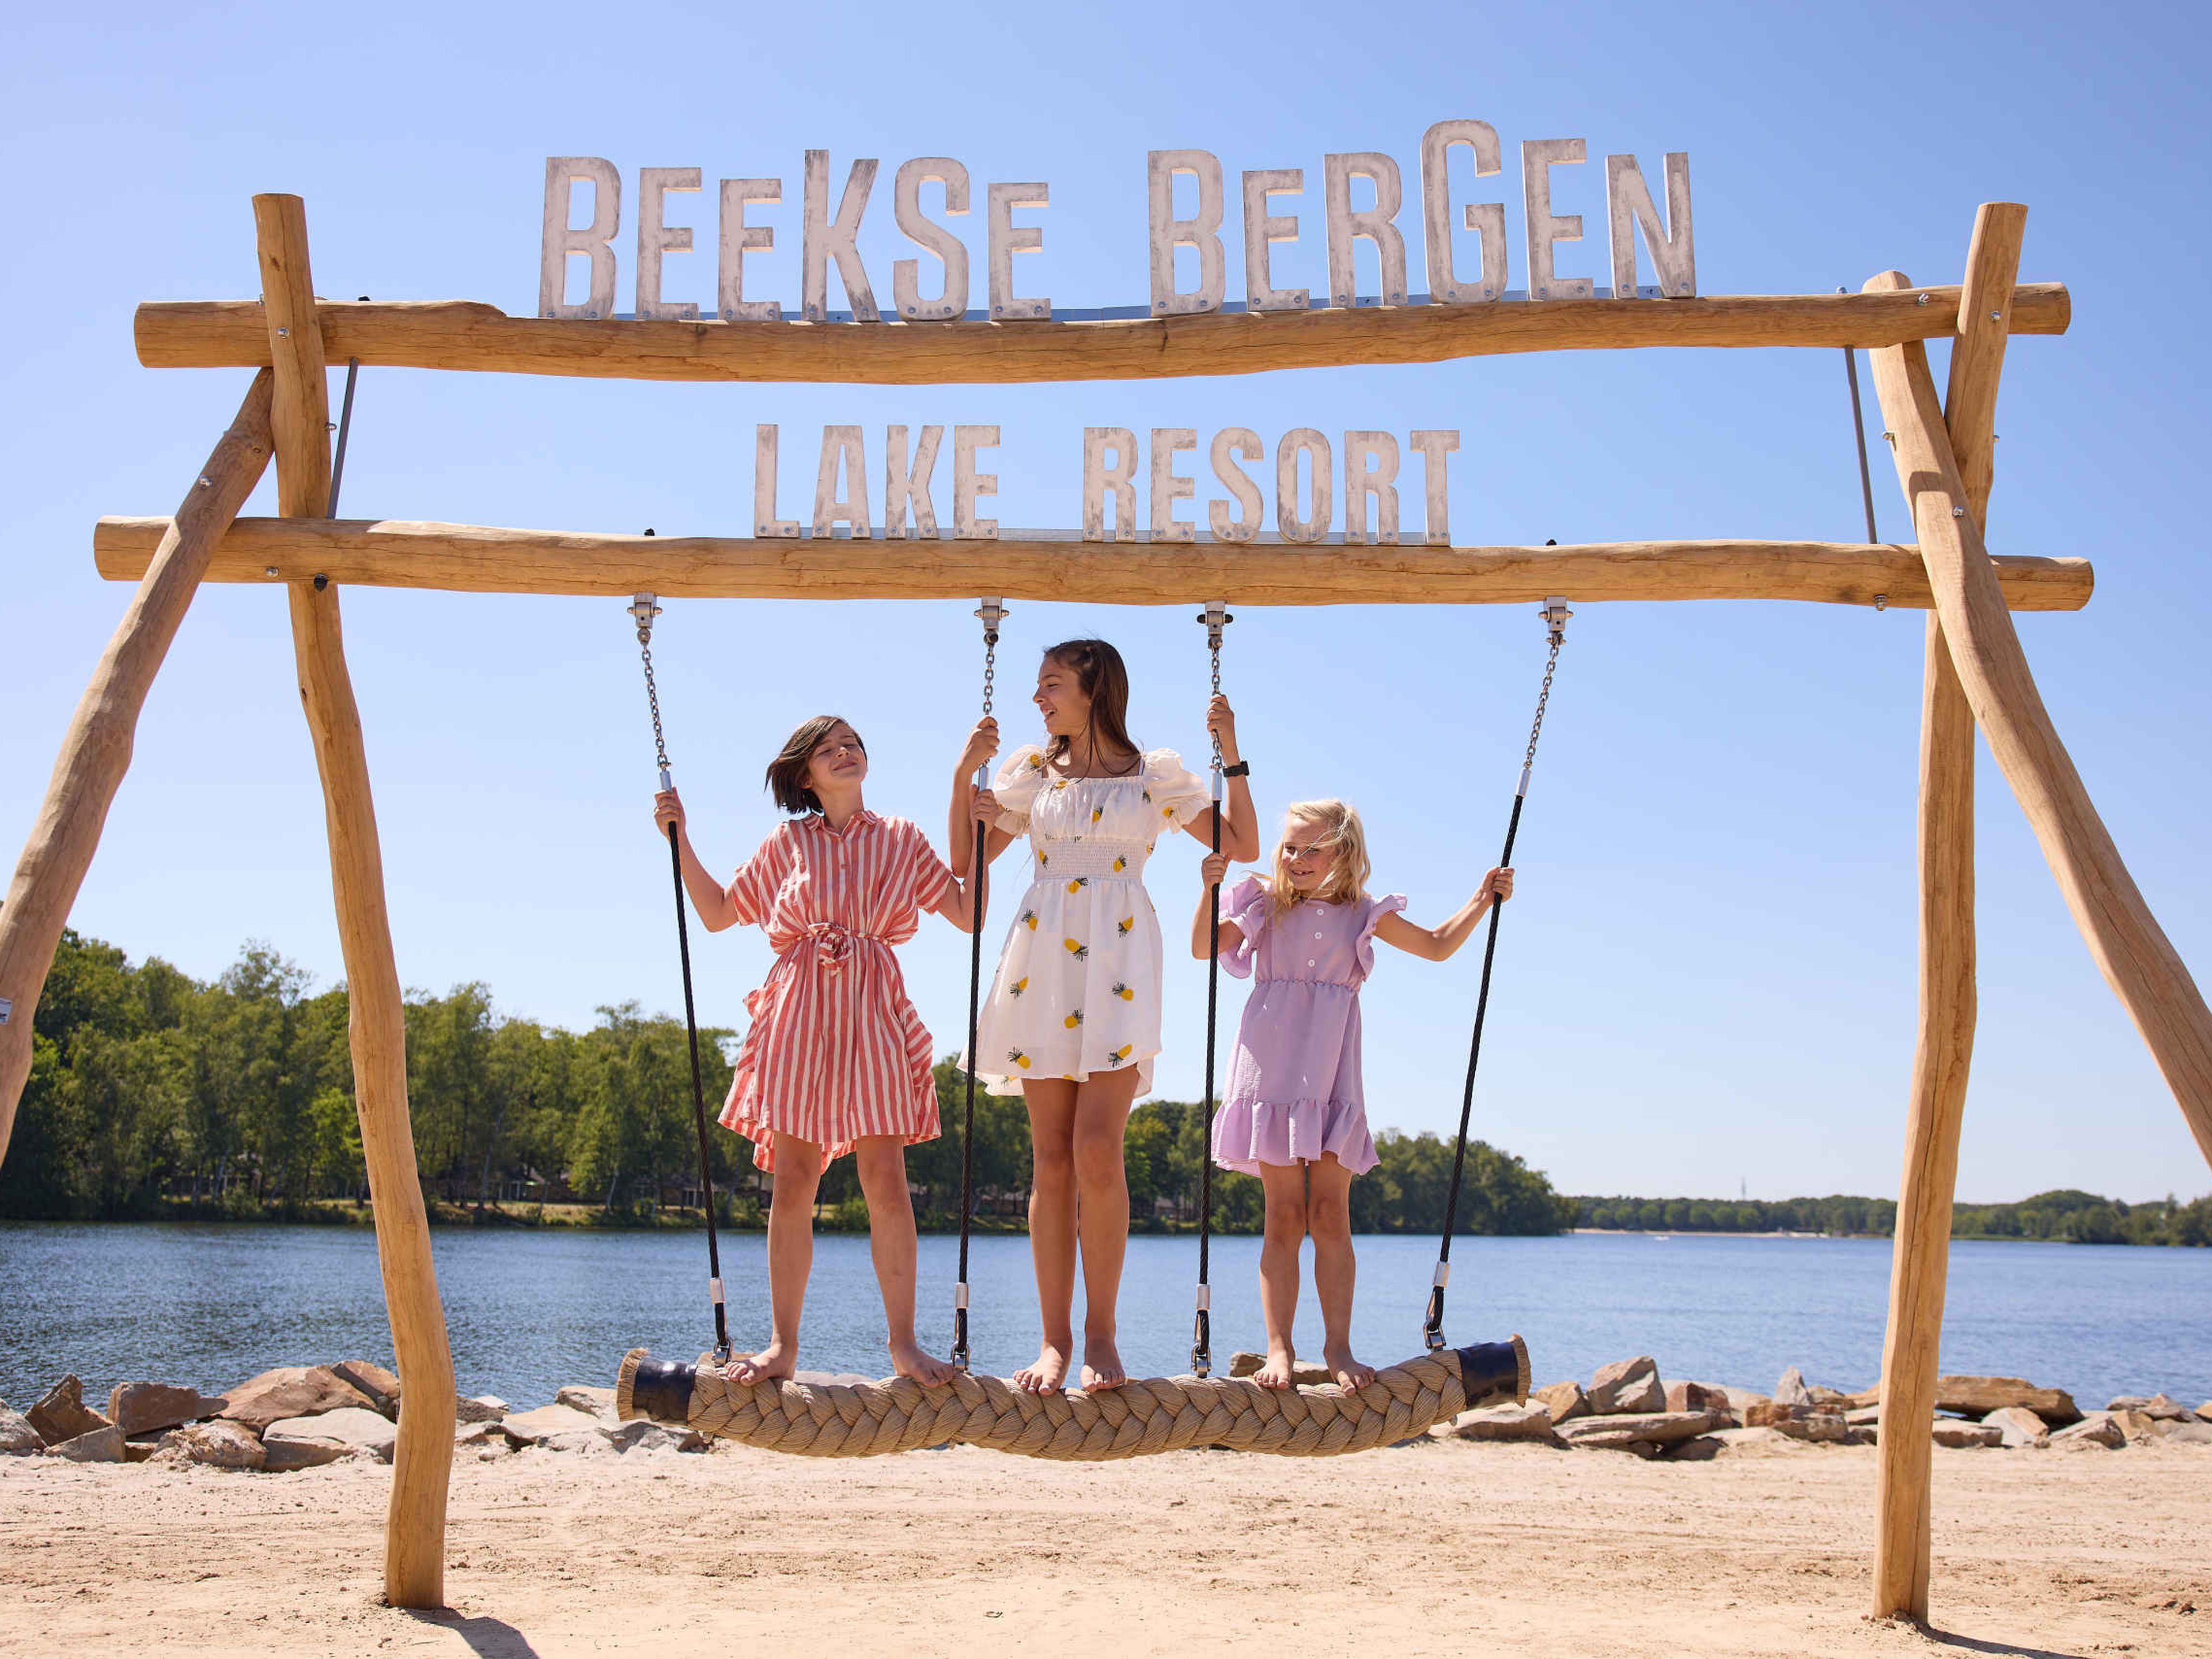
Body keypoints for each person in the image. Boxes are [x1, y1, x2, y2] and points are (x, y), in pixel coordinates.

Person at [951, 639, 1257, 1393]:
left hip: (1120, 961)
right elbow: (968, 862)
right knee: (1051, 1157)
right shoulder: (1032, 773)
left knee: (1097, 1149)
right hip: (1042, 961)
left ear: (1094, 688)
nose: (1038, 698)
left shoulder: (1153, 776)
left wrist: (1231, 752)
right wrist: (964, 778)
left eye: (1051, 683)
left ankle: (1101, 1336)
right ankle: (1053, 1341)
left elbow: (1243, 843)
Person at [655, 714, 985, 1387]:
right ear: (804, 775)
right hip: (799, 1008)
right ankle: (783, 1346)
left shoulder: (900, 838)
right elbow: (718, 913)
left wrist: (980, 841)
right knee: (794, 1179)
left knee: (885, 1178)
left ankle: (903, 1344)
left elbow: (966, 912)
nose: (844, 753)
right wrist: (678, 837)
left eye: (852, 744)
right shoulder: (788, 842)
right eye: (828, 749)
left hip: (874, 1008)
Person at [1195, 800, 1513, 1391]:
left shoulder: (1365, 914)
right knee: (1283, 1216)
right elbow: (1203, 947)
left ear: (1343, 851)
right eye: (1290, 848)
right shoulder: (1264, 903)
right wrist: (1209, 891)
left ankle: (1338, 1348)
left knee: (1330, 1214)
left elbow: (1437, 945)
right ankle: (1279, 1350)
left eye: (1311, 848)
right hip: (1271, 1073)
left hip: (1333, 1076)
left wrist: (1481, 899)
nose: (1297, 858)